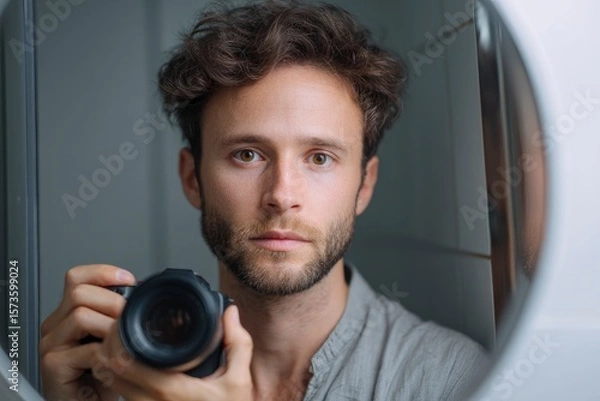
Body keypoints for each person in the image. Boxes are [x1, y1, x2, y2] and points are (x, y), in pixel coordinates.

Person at [39, 1, 488, 400]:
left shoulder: (452, 381)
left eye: (319, 157)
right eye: (247, 154)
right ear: (192, 178)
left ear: (364, 185)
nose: (281, 195)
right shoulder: (126, 374)